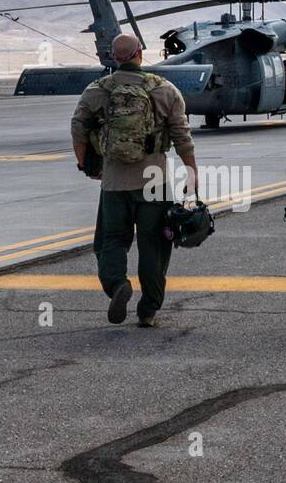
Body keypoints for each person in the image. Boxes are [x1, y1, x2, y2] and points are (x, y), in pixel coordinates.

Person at [71, 33, 198, 327]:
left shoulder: (97, 90)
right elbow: (182, 136)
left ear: (114, 57)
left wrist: (86, 165)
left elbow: (78, 128)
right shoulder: (164, 89)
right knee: (154, 246)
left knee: (110, 242)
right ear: (140, 52)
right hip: (155, 181)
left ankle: (117, 284)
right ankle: (148, 310)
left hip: (115, 182)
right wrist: (191, 173)